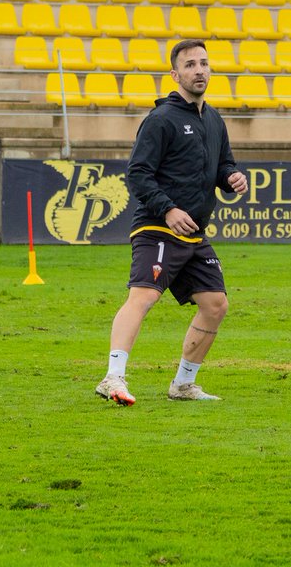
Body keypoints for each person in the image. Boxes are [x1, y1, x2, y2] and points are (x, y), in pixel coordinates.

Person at [95, 39, 248, 404]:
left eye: (204, 63)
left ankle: (183, 384)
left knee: (216, 304)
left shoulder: (213, 119)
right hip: (157, 226)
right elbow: (138, 173)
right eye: (190, 64)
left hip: (194, 231)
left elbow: (222, 164)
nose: (199, 70)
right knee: (143, 296)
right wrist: (167, 209)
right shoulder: (161, 119)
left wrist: (231, 178)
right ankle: (112, 377)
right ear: (175, 74)